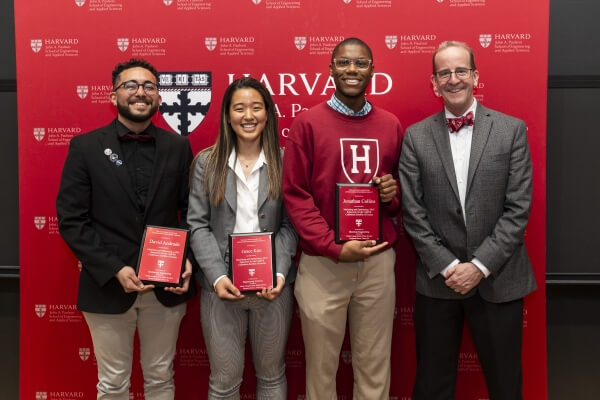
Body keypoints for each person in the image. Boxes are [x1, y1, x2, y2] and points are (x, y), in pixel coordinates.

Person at [399, 41, 537, 400]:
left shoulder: (511, 130)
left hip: (499, 278)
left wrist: (478, 265)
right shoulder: (415, 137)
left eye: (461, 70)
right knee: (432, 385)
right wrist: (448, 267)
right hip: (438, 282)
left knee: (505, 385)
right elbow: (413, 213)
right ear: (434, 82)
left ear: (475, 76)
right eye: (444, 72)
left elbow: (518, 208)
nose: (453, 79)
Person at [56, 58, 196, 400]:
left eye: (149, 86)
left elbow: (191, 213)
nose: (140, 93)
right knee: (113, 384)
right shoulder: (86, 147)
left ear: (159, 97)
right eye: (130, 86)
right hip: (107, 287)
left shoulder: (177, 148)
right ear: (113, 95)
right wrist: (115, 268)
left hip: (166, 289)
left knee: (161, 378)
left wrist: (186, 259)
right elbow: (72, 219)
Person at [282, 38, 403, 399]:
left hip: (377, 261)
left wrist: (391, 197)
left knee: (374, 365)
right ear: (331, 69)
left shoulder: (391, 125)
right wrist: (333, 246)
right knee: (321, 369)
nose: (353, 70)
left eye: (361, 63)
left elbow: (400, 199)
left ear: (373, 70)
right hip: (323, 264)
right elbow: (296, 195)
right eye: (345, 63)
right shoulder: (307, 123)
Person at [187, 77, 298, 399]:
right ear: (227, 115)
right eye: (239, 108)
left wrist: (278, 273)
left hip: (273, 289)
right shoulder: (206, 164)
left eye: (256, 107)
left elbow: (291, 226)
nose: (248, 116)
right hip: (220, 289)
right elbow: (197, 225)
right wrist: (217, 277)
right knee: (223, 382)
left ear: (268, 114)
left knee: (272, 377)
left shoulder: (286, 161)